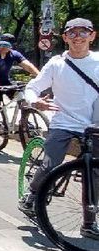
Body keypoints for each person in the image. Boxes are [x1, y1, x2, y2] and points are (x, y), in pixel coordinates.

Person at [17, 18, 99, 239]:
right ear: (65, 38)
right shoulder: (57, 63)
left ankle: (89, 223)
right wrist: (35, 101)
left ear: (92, 36)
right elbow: (32, 87)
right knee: (51, 164)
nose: (78, 37)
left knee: (94, 173)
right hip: (63, 123)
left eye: (83, 32)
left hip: (94, 125)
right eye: (72, 33)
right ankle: (32, 194)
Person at [0, 33, 40, 152]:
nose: (3, 47)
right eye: (2, 44)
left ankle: (25, 118)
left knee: (21, 95)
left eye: (7, 45)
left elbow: (28, 65)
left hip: (5, 82)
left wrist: (40, 76)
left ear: (11, 46)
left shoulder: (14, 54)